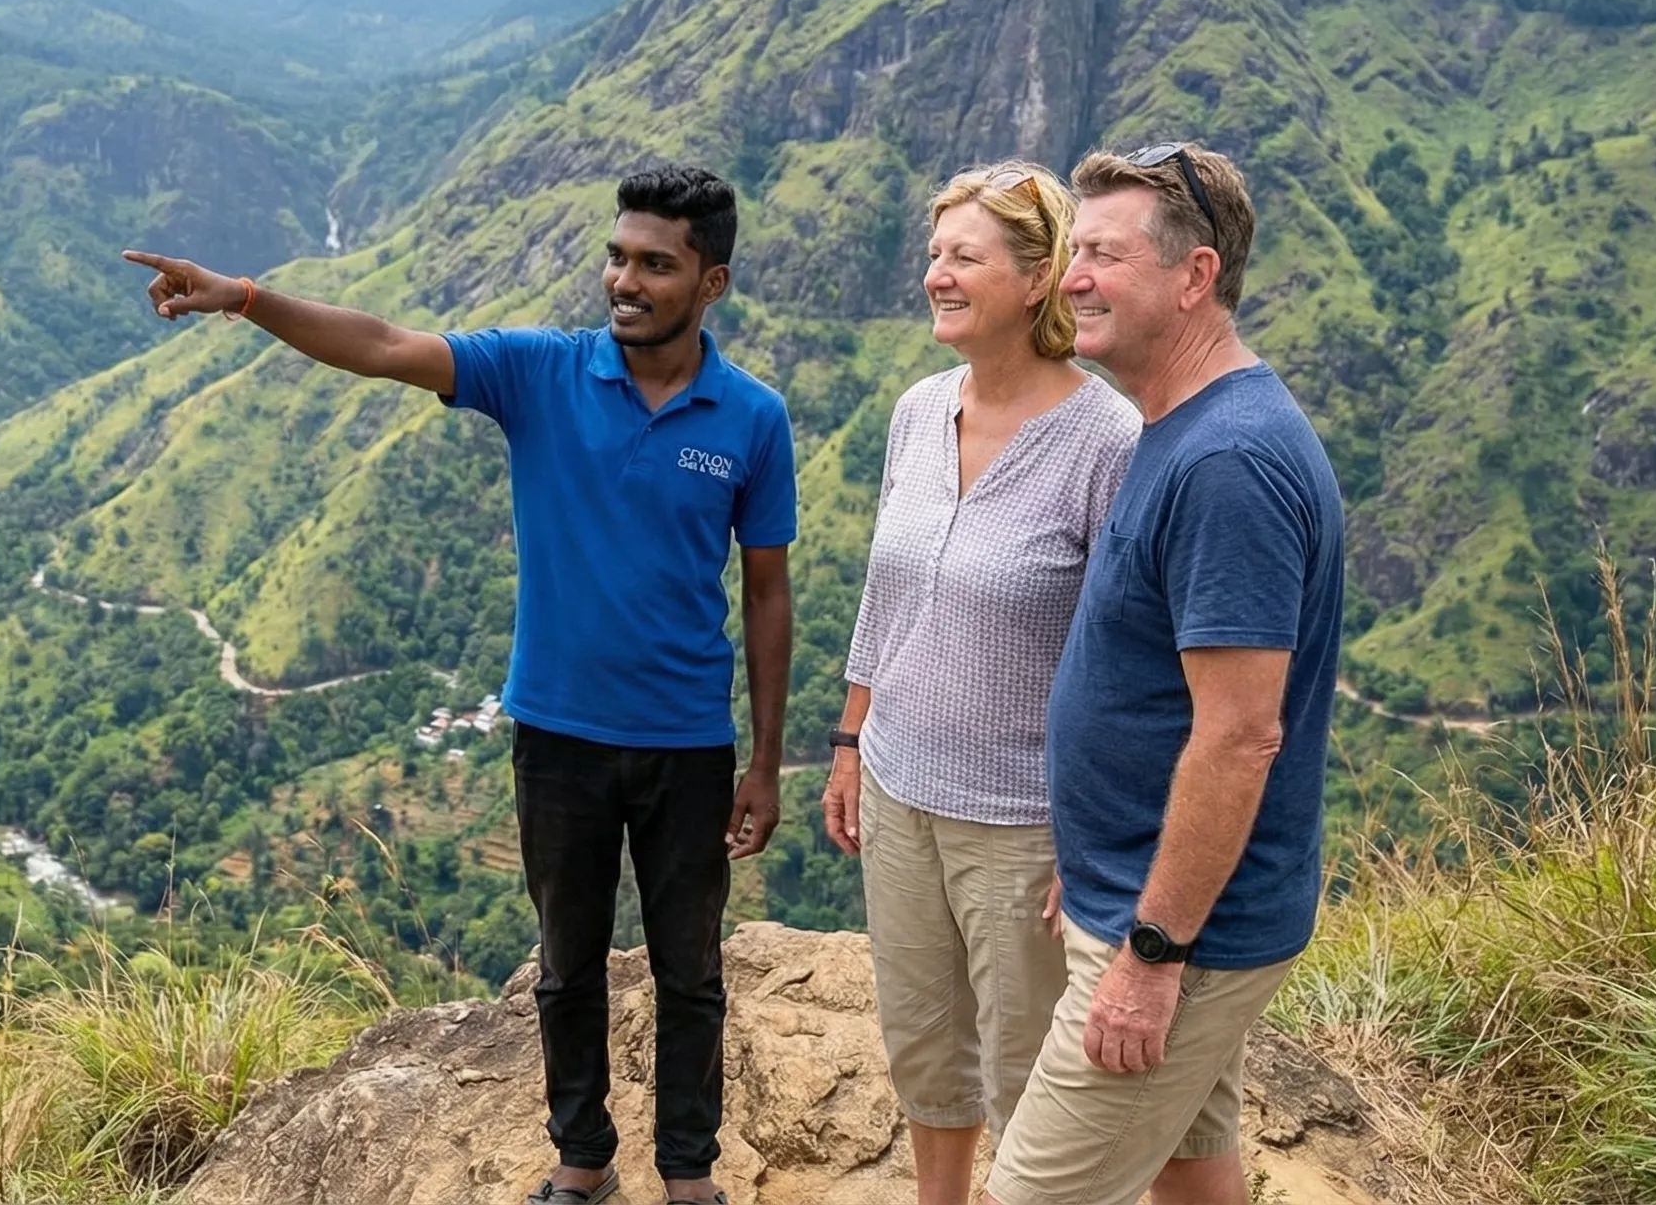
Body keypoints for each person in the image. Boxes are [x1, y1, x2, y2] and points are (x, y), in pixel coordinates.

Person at [123, 166, 797, 1205]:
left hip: (686, 742)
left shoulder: (751, 417)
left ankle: (688, 1172)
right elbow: (385, 346)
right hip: (559, 735)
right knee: (566, 964)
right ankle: (581, 1161)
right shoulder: (542, 372)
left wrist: (761, 761)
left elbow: (765, 593)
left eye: (655, 264)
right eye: (617, 255)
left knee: (689, 971)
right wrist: (248, 297)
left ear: (711, 283)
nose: (623, 279)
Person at [983, 142, 1346, 1205]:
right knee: (1192, 1161)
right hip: (1152, 895)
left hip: (1182, 937)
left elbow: (1240, 735)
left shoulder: (1225, 461)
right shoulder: (1180, 425)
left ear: (1193, 278)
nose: (1070, 277)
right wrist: (1101, 858)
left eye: (1101, 252)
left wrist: (1149, 949)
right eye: (1067, 251)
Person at [821, 160, 1140, 1205]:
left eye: (964, 258)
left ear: (1040, 276)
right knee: (921, 1040)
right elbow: (885, 589)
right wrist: (849, 740)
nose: (935, 277)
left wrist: (1094, 837)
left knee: (1022, 1064)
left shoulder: (1106, 443)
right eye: (933, 256)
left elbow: (1128, 661)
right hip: (898, 785)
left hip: (1022, 820)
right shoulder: (918, 411)